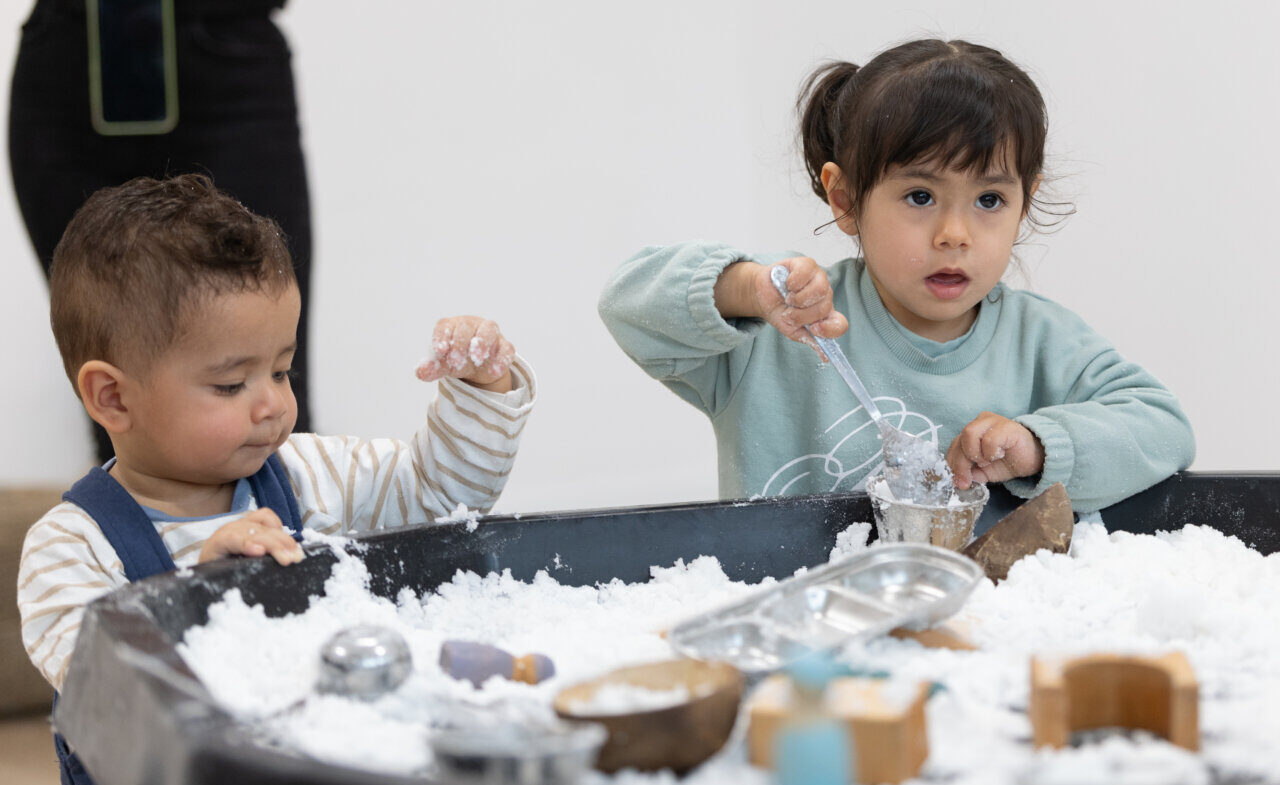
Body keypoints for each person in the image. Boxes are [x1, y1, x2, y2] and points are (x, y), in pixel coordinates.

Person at [17, 174, 536, 784]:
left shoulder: (312, 475)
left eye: (283, 371)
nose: (272, 405)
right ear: (112, 397)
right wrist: (201, 592)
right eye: (231, 385)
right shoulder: (70, 550)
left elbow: (442, 495)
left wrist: (479, 391)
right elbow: (107, 692)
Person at [598, 38, 1194, 512]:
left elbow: (1164, 429)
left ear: (1025, 202)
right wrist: (750, 291)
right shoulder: (779, 334)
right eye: (919, 195)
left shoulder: (1043, 342)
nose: (954, 234)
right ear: (846, 199)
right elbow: (626, 303)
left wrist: (1039, 446)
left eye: (989, 200)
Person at [9, 0, 315, 463]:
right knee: (115, 391)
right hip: (69, 48)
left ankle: (284, 529)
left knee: (261, 357)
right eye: (228, 385)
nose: (272, 401)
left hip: (227, 49)